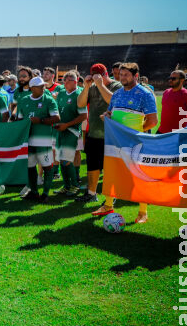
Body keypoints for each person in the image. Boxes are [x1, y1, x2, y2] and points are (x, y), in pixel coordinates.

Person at [92, 62, 158, 223]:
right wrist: (107, 115)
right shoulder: (117, 93)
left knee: (139, 176)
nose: (122, 78)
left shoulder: (145, 94)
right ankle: (108, 205)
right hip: (115, 141)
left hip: (135, 142)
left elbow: (152, 121)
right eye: (120, 75)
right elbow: (111, 112)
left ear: (136, 76)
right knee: (111, 173)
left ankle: (143, 212)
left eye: (126, 75)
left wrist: (134, 133)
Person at [75, 63, 122, 203]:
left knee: (111, 168)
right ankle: (91, 193)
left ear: (105, 74)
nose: (96, 78)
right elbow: (80, 104)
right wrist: (87, 87)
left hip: (112, 135)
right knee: (92, 166)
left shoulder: (117, 86)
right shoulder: (92, 87)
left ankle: (111, 197)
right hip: (94, 133)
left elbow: (113, 101)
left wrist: (101, 85)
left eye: (99, 75)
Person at [16, 76, 60, 203]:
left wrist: (40, 120)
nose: (43, 87)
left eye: (43, 85)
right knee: (30, 167)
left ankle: (45, 193)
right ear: (32, 88)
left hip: (44, 140)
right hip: (28, 140)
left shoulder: (49, 99)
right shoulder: (23, 100)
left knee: (47, 167)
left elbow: (56, 118)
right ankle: (34, 192)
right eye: (40, 86)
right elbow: (19, 119)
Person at [53, 71, 87, 196]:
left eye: (69, 79)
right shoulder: (61, 92)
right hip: (59, 130)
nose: (66, 82)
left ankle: (75, 185)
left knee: (67, 159)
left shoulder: (79, 95)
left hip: (71, 130)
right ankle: (66, 186)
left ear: (76, 81)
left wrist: (66, 125)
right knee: (61, 158)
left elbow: (84, 116)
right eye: (64, 79)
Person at [158, 69, 187, 134]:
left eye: (173, 78)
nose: (170, 80)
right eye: (170, 78)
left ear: (182, 80)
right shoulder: (166, 92)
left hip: (177, 134)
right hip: (162, 131)